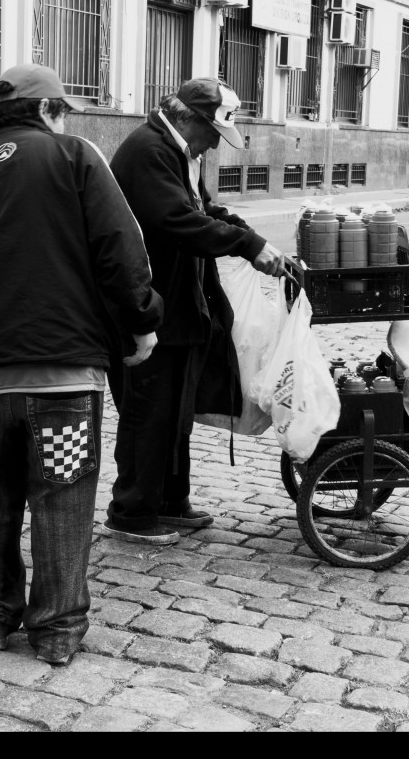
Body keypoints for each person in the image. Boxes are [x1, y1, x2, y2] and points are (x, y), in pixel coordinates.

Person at [0, 64, 163, 667]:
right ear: (49, 111)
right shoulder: (75, 160)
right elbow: (121, 251)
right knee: (62, 501)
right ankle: (58, 631)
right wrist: (142, 322)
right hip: (66, 380)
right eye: (63, 111)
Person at [97, 77, 287, 546]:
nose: (213, 145)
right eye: (211, 134)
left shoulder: (181, 150)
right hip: (145, 306)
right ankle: (132, 514)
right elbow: (173, 220)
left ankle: (169, 501)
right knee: (148, 413)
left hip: (179, 305)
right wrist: (244, 245)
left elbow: (199, 208)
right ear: (185, 117)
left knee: (175, 412)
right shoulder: (149, 150)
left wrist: (241, 228)